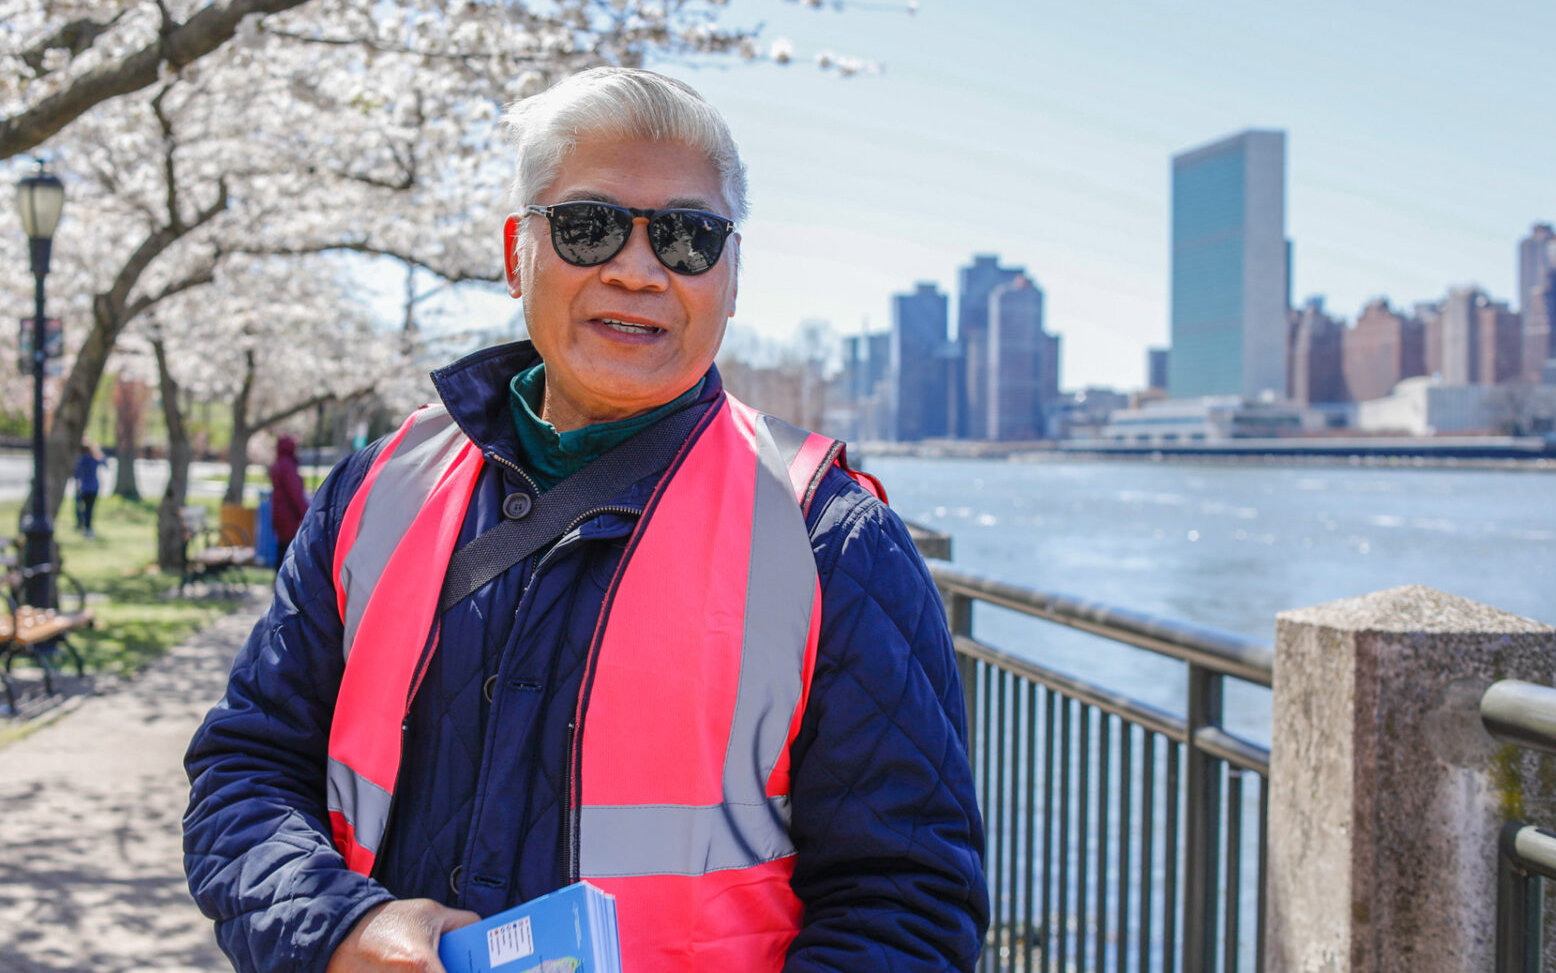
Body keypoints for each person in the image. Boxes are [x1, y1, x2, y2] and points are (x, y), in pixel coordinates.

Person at [183, 68, 987, 973]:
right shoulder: (374, 491)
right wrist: (335, 931)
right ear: (514, 251)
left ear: (731, 276)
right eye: (588, 225)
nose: (638, 270)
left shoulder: (831, 540)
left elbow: (907, 904)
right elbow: (246, 768)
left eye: (688, 237)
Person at [268, 433, 310, 547]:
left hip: (279, 512)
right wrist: (306, 514)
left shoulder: (279, 464)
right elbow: (295, 493)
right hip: (289, 514)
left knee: (281, 546)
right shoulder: (288, 466)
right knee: (287, 548)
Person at [73, 439, 103, 538]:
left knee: (80, 507)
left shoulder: (81, 460)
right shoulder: (94, 459)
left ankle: (81, 524)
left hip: (83, 487)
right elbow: (104, 462)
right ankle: (88, 527)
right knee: (89, 509)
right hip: (93, 487)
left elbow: (76, 474)